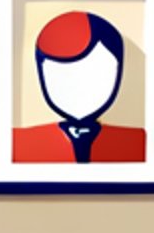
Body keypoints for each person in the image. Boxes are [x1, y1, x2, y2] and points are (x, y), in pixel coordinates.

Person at [12, 10, 146, 164]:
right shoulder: (18, 144)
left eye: (94, 73)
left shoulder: (141, 144)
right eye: (61, 77)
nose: (79, 88)